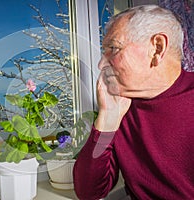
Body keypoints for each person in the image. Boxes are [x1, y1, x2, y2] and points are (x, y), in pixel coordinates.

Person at [73, 4, 194, 200]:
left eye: (114, 48)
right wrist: (106, 121)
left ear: (157, 48)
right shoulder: (121, 105)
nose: (101, 64)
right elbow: (89, 192)